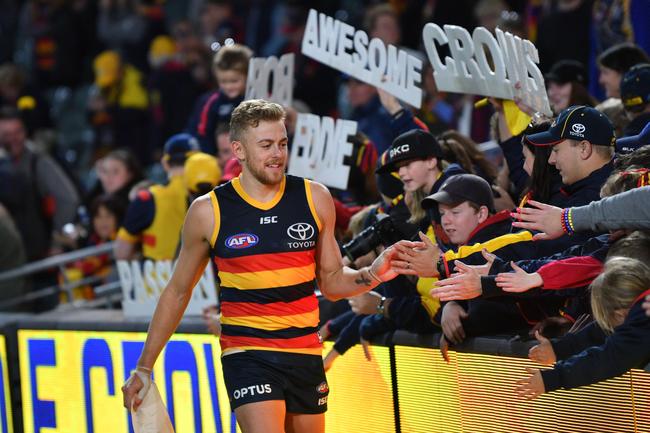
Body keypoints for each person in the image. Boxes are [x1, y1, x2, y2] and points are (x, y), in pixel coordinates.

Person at [121, 99, 413, 433]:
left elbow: (331, 282)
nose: (277, 153)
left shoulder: (315, 198)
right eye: (266, 145)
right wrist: (144, 367)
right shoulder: (209, 211)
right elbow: (177, 291)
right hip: (247, 352)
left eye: (282, 143)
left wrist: (374, 273)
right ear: (238, 150)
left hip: (305, 349)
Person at [516, 257, 650, 399]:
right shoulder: (640, 305)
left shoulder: (644, 315)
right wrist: (559, 349)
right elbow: (602, 330)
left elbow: (612, 357)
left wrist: (554, 378)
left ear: (621, 312)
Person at [114, 133, 198, 261]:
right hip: (209, 278)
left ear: (165, 163)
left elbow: (121, 252)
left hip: (163, 279)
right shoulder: (217, 190)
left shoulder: (147, 198)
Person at [185, 43, 252, 155]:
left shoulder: (255, 99)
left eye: (234, 81)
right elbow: (202, 133)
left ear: (247, 76)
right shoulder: (210, 102)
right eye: (223, 82)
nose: (228, 86)